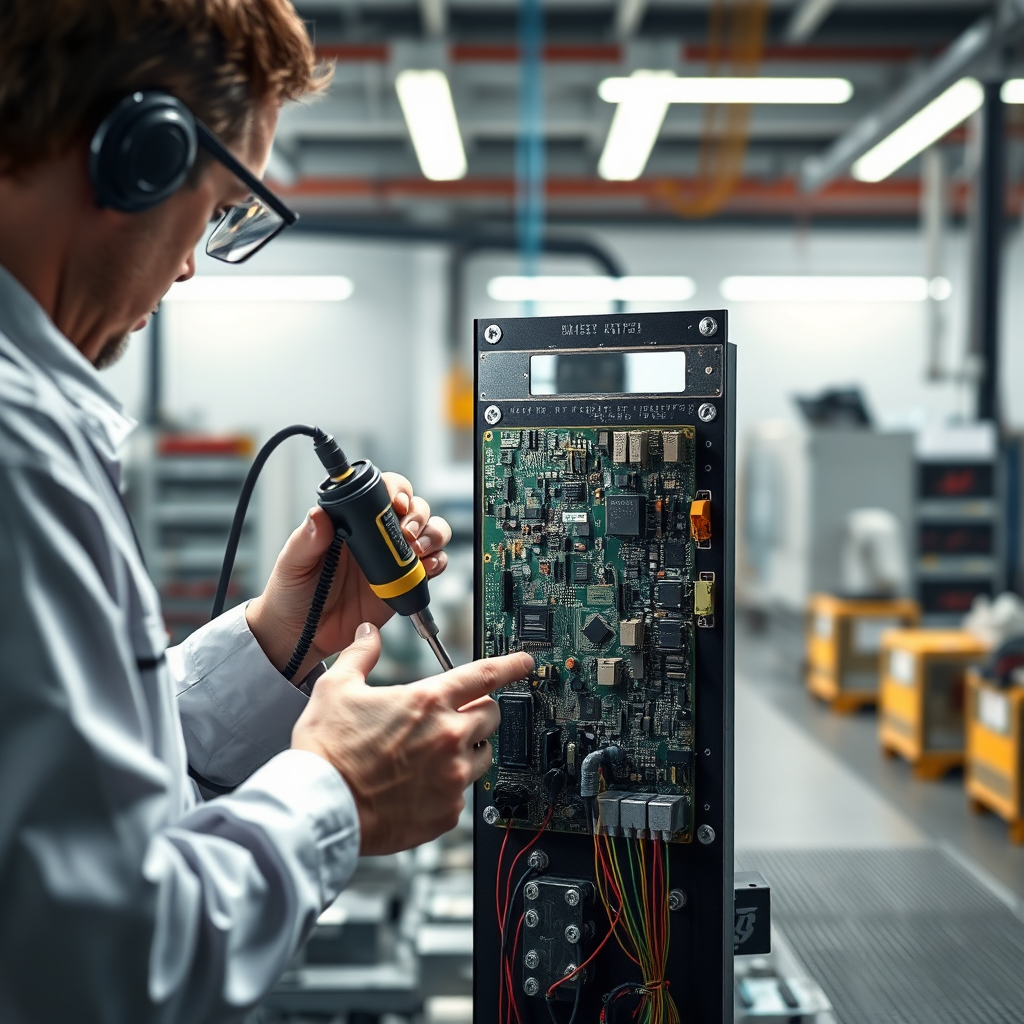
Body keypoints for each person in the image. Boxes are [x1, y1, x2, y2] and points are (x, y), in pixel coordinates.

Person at [0, 2, 531, 1021]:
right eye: (217, 210)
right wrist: (336, 793)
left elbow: (70, 796)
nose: (189, 265)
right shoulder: (18, 449)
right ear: (141, 155)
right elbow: (109, 969)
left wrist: (280, 643)